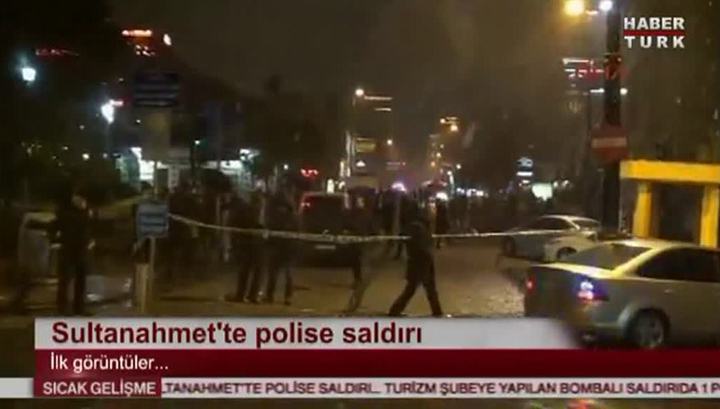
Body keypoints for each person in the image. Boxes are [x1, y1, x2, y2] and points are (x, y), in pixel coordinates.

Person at [388, 215, 443, 317]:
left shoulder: (415, 228)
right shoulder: (419, 229)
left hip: (420, 262)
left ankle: (437, 312)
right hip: (422, 262)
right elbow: (422, 247)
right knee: (420, 289)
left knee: (418, 289)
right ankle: (437, 312)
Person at [53, 183, 93, 315]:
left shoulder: (86, 210)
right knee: (65, 279)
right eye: (79, 199)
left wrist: (90, 240)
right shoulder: (66, 210)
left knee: (81, 279)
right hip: (68, 248)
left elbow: (88, 227)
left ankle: (79, 307)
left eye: (83, 200)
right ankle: (62, 307)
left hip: (82, 248)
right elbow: (61, 223)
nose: (82, 202)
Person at [228, 190, 265, 303]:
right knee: (253, 271)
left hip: (249, 244)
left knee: (247, 270)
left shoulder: (248, 210)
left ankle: (243, 295)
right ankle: (250, 295)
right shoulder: (254, 211)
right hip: (252, 244)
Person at [264, 194, 298, 304]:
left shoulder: (292, 218)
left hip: (287, 250)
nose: (281, 209)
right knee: (274, 274)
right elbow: (270, 231)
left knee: (288, 275)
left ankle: (286, 297)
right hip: (278, 249)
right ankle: (270, 296)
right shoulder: (276, 218)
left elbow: (297, 233)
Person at [345, 196, 374, 288]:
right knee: (356, 261)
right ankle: (358, 279)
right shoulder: (352, 214)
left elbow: (370, 227)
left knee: (359, 260)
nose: (359, 203)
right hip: (355, 240)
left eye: (360, 201)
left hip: (361, 241)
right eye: (358, 201)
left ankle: (359, 279)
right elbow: (347, 225)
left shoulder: (365, 214)